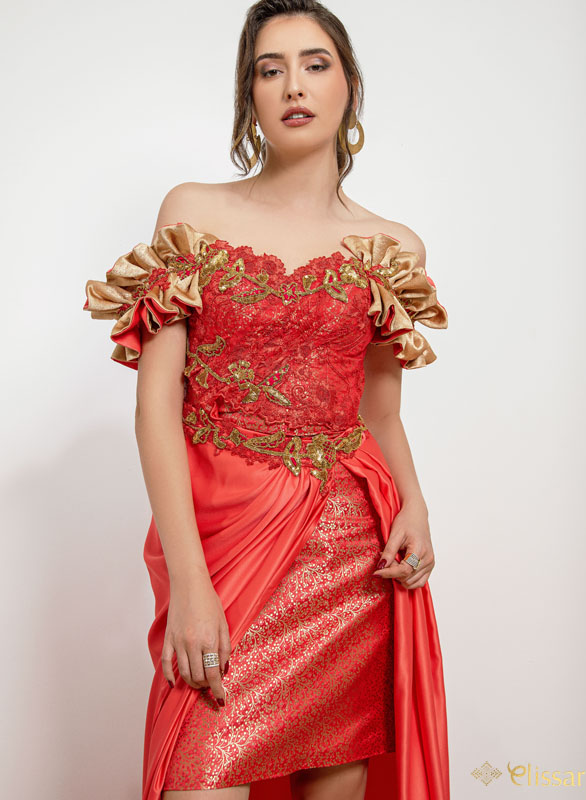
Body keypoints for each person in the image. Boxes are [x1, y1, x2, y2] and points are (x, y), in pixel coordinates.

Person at [83, 1, 451, 799]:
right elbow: (155, 408)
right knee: (196, 771)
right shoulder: (194, 212)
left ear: (350, 87)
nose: (294, 86)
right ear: (248, 95)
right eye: (270, 69)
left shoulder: (393, 249)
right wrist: (190, 583)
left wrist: (416, 503)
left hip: (347, 559)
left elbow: (380, 414)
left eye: (316, 65)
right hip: (224, 551)